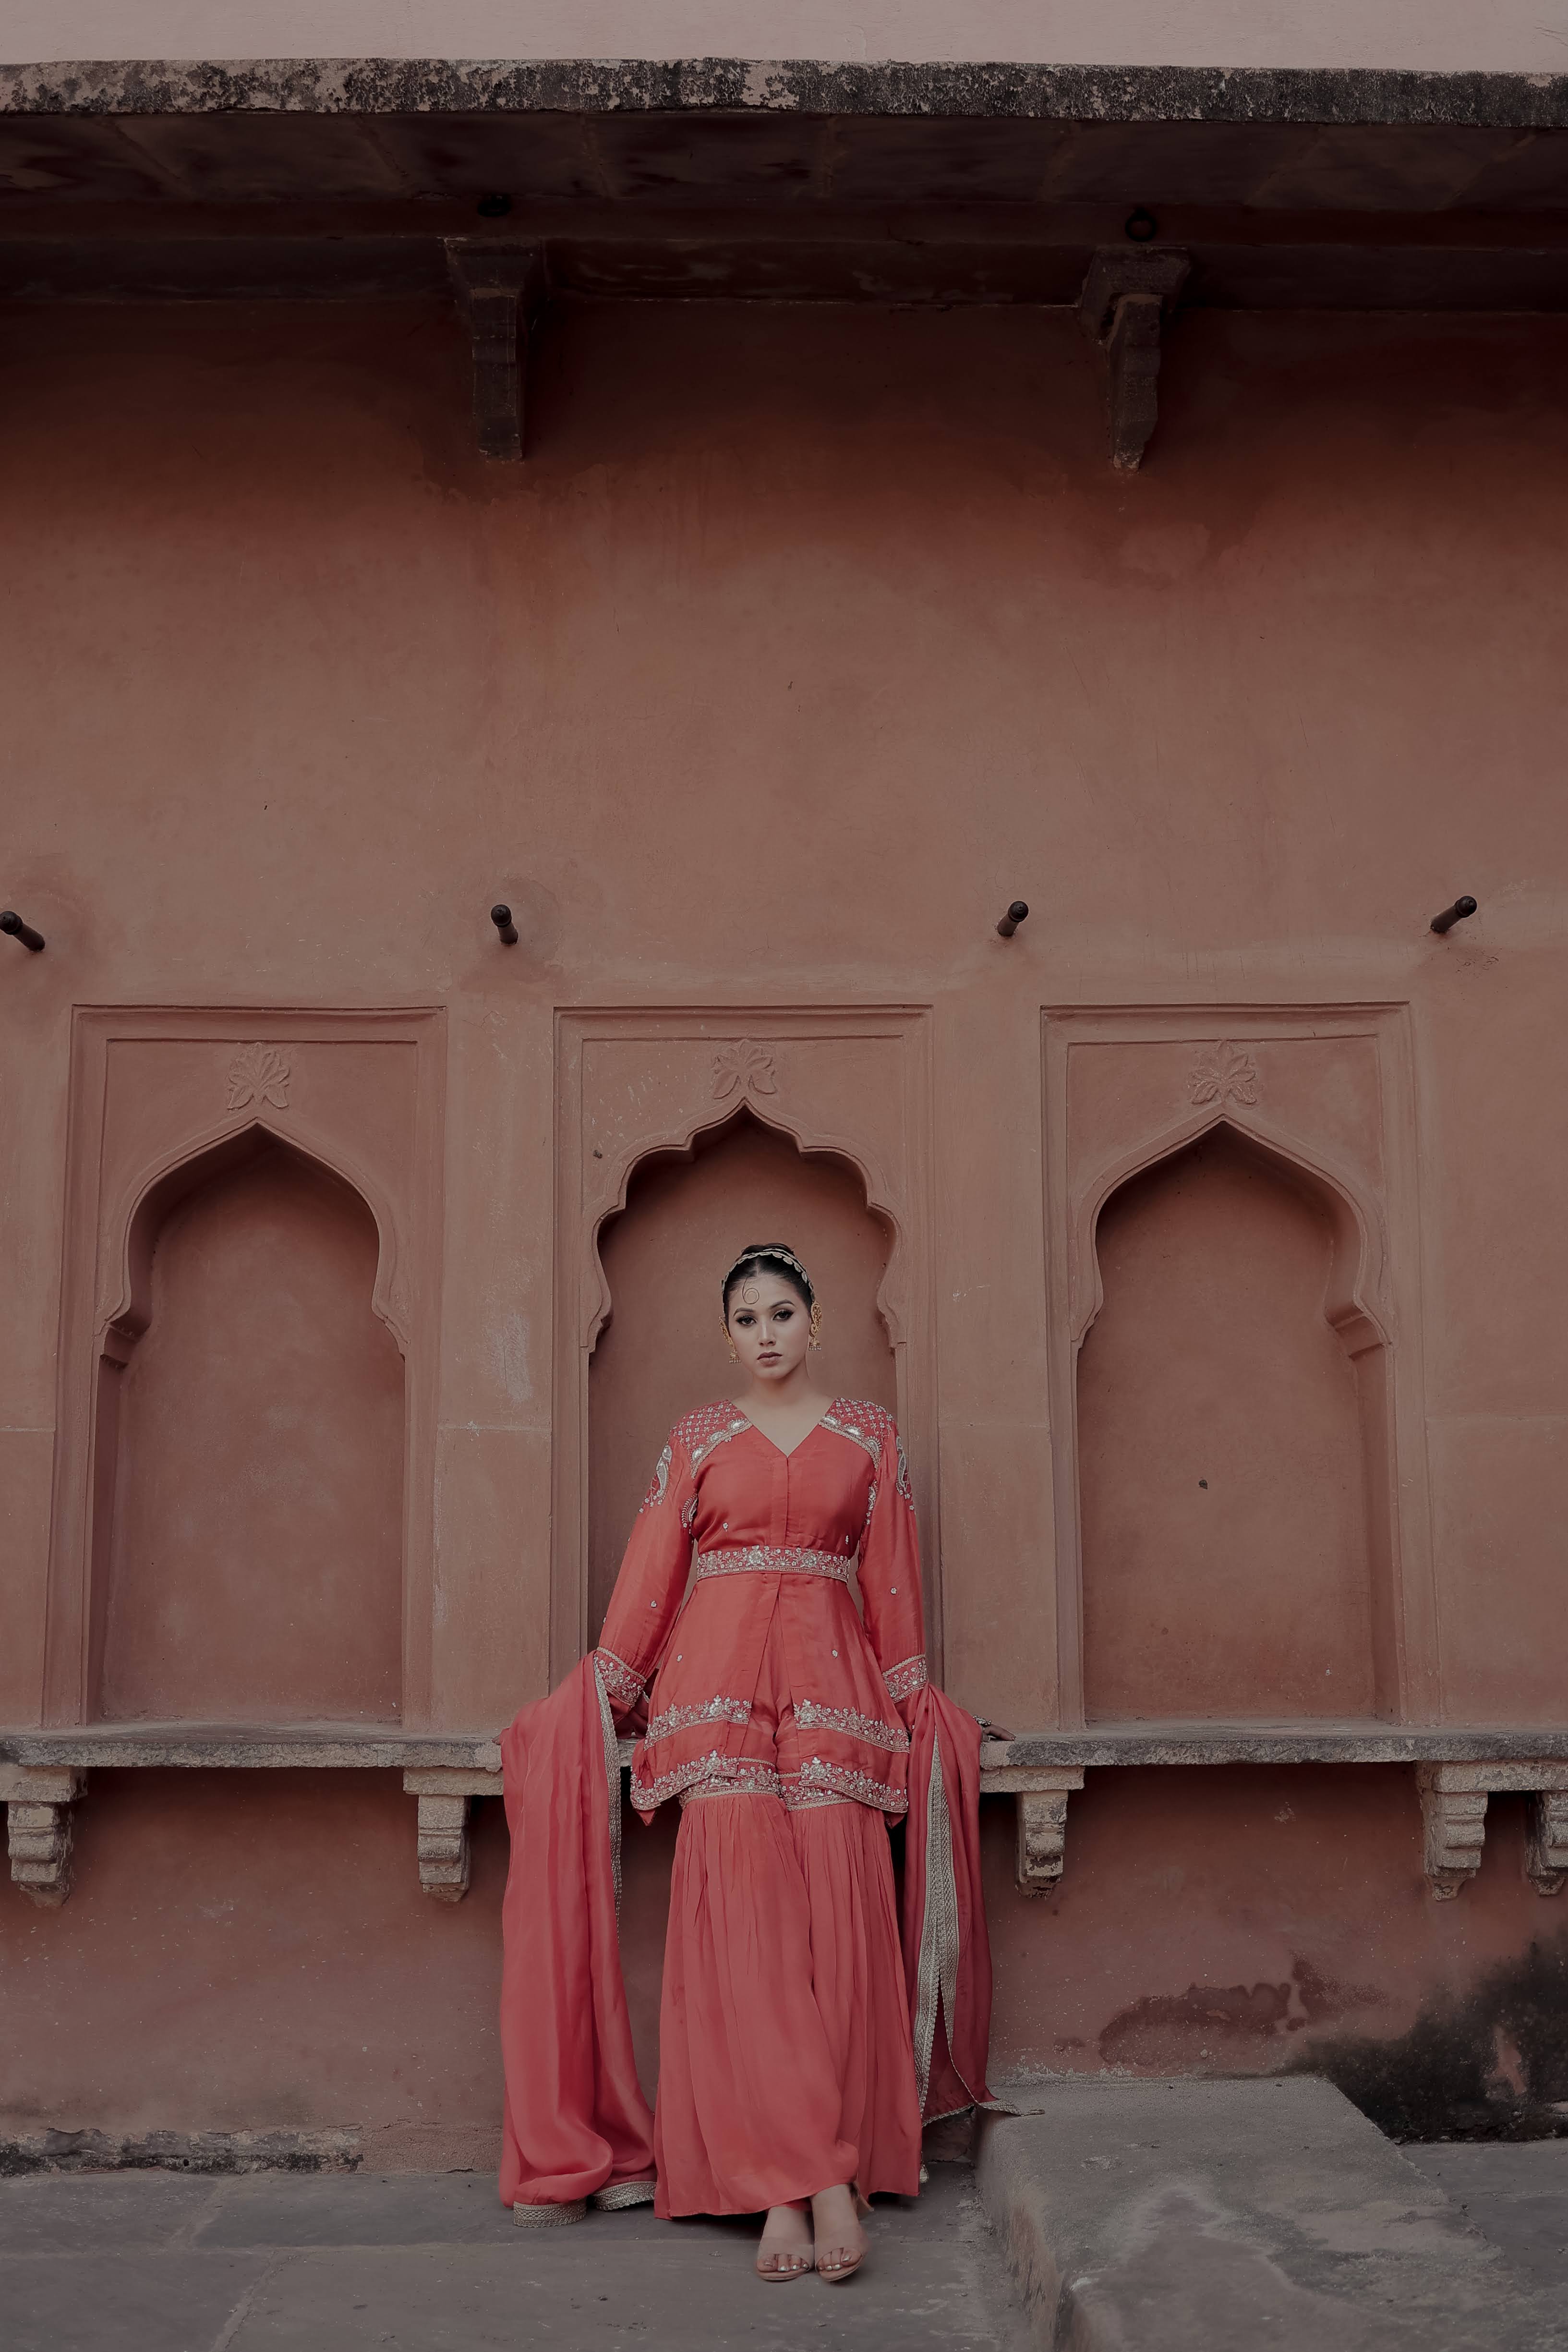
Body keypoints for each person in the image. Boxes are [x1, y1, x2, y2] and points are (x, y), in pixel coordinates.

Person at [497, 1244, 995, 2284]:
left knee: (840, 1933)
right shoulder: (697, 1439)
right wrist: (601, 1695)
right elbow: (649, 1581)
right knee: (748, 1944)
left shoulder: (868, 1435)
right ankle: (791, 2184)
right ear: (727, 1337)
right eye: (746, 1319)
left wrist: (917, 1709)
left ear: (814, 1321)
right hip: (714, 1699)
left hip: (835, 1700)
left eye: (781, 1312)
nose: (766, 1333)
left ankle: (822, 2172)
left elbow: (894, 1587)